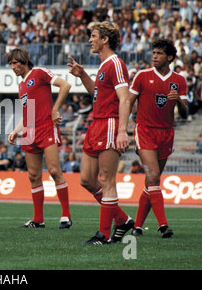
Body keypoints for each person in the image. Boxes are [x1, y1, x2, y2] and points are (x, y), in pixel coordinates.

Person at [67, 21, 134, 244]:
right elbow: (97, 93)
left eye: (93, 35)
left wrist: (123, 131)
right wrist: (83, 75)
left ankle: (103, 234)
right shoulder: (104, 65)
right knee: (86, 179)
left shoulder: (115, 64)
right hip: (96, 124)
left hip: (110, 124)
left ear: (105, 39)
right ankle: (122, 219)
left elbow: (124, 98)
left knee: (106, 179)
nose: (90, 39)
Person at [8, 47, 72, 229]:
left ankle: (66, 215)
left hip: (46, 128)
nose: (13, 67)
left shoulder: (40, 72)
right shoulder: (21, 86)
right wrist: (15, 130)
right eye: (11, 64)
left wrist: (55, 109)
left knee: (54, 171)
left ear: (25, 61)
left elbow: (65, 85)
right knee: (34, 176)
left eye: (15, 63)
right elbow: (28, 114)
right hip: (29, 132)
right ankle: (38, 220)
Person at [129, 39, 188, 238]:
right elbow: (128, 102)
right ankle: (163, 225)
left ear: (169, 57)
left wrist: (179, 100)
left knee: (151, 182)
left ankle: (137, 226)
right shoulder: (142, 76)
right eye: (153, 52)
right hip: (145, 130)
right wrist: (123, 128)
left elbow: (186, 114)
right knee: (153, 175)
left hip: (166, 133)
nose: (154, 56)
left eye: (159, 53)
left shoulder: (179, 80)